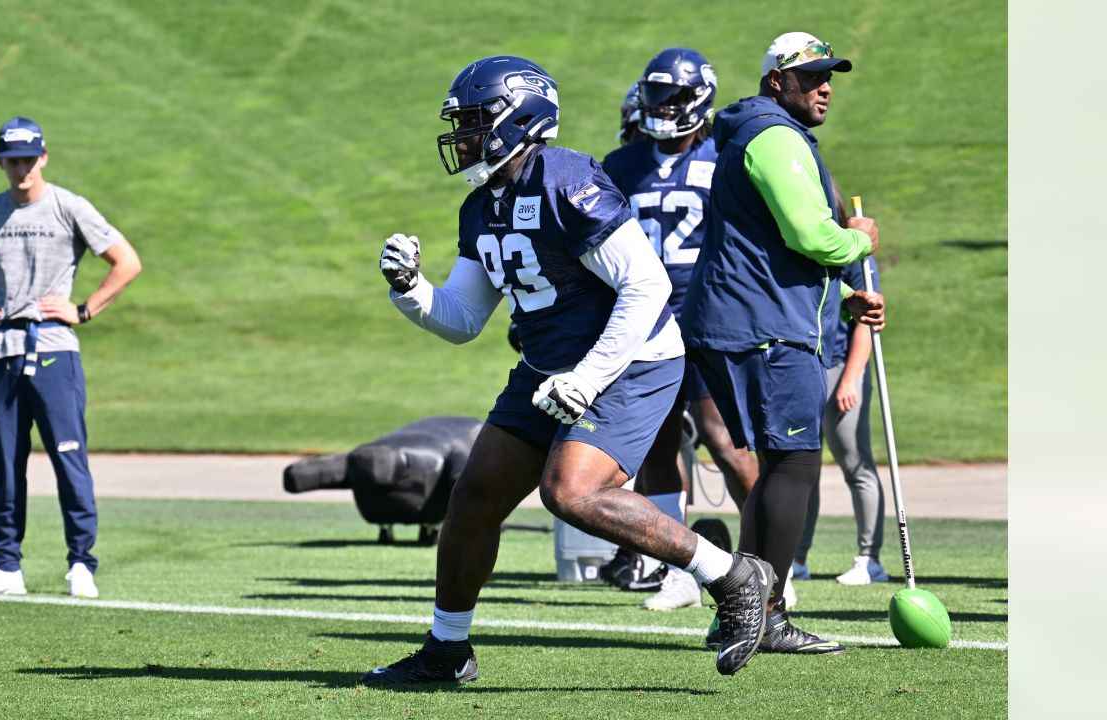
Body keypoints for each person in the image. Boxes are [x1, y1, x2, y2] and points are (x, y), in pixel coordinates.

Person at [364, 54, 773, 684]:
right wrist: (410, 288)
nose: (463, 137)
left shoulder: (566, 178)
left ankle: (731, 573)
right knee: (474, 497)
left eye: (474, 122)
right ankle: (447, 651)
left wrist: (588, 377)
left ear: (517, 118)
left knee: (572, 492)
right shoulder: (482, 205)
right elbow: (464, 319)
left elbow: (645, 285)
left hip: (631, 359)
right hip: (547, 367)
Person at [680, 32, 886, 655]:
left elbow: (779, 244)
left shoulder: (760, 132)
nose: (826, 85)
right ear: (778, 82)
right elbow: (811, 235)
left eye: (831, 76)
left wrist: (844, 295)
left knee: (778, 467)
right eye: (813, 76)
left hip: (749, 320)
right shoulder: (774, 136)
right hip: (766, 327)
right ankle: (763, 615)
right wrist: (859, 241)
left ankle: (743, 609)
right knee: (794, 465)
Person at [0, 116, 142, 599]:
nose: (21, 169)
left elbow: (127, 261)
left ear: (43, 158)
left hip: (54, 351)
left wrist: (84, 309)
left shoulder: (67, 206)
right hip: (1, 354)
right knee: (8, 466)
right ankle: (6, 568)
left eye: (29, 159)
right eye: (12, 160)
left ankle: (81, 563)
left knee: (68, 458)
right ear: (0, 162)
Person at [601, 48, 762, 612]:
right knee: (657, 444)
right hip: (643, 318)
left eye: (673, 97)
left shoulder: (727, 155)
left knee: (723, 439)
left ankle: (769, 562)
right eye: (656, 96)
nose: (663, 108)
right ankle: (680, 571)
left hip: (708, 311)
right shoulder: (620, 165)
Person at [793, 243, 889, 586]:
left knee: (855, 464)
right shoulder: (800, 242)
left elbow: (866, 320)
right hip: (805, 365)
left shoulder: (853, 252)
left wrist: (850, 379)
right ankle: (797, 558)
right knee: (802, 467)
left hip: (841, 369)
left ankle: (869, 559)